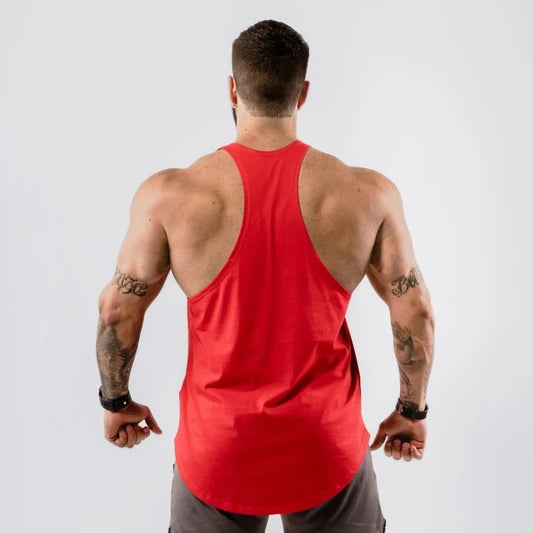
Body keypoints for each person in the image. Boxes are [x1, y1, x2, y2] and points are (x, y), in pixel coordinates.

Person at [96, 19, 434, 533]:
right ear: (303, 93)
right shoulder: (367, 194)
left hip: (217, 452)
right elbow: (417, 312)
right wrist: (412, 410)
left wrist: (116, 401)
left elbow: (117, 310)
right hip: (324, 448)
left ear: (233, 90)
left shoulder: (169, 196)